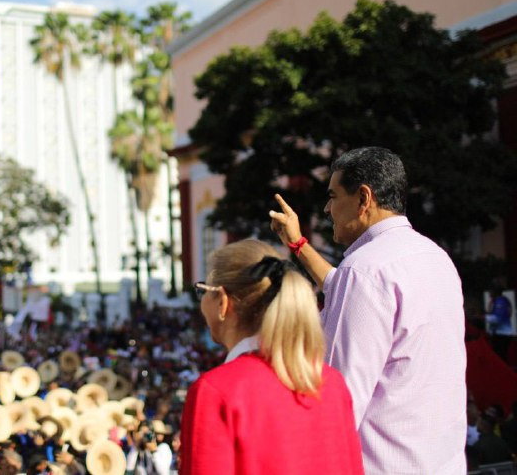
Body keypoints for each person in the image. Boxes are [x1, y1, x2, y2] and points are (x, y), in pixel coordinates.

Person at [269, 146, 466, 474]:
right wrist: (298, 245)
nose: (328, 208)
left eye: (333, 196)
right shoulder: (435, 258)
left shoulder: (364, 270)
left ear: (363, 198)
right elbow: (345, 288)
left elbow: (339, 400)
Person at [179, 239, 363, 474]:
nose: (201, 300)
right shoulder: (332, 383)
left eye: (203, 290)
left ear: (223, 302)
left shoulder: (216, 390)